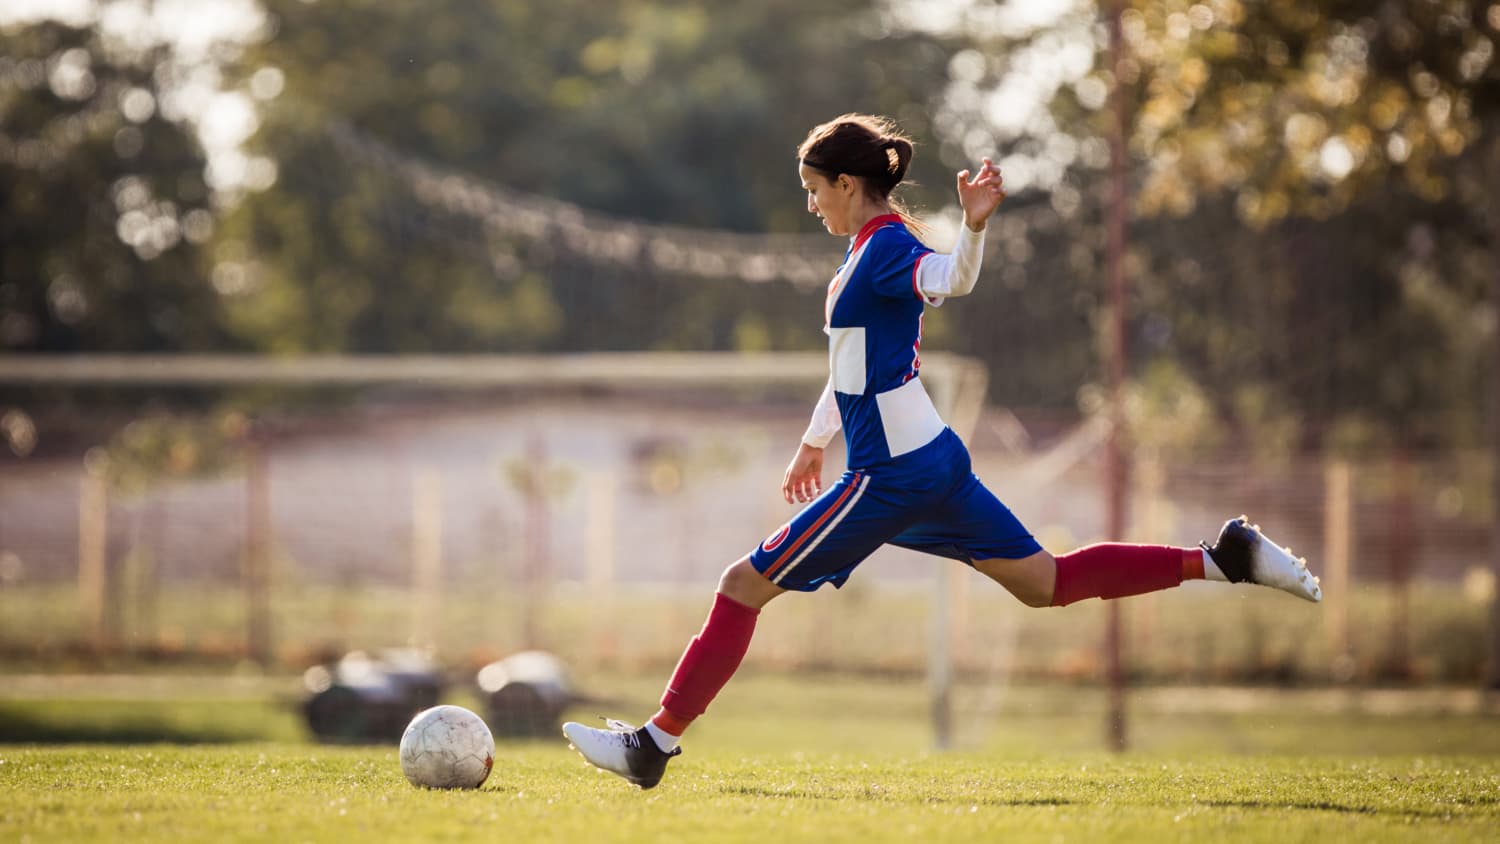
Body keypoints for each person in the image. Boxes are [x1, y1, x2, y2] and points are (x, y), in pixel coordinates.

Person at [562, 113, 1320, 789]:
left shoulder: (889, 248)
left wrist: (977, 227)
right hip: (931, 463)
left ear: (849, 183)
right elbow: (852, 370)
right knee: (1044, 584)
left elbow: (950, 279)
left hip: (891, 476)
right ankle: (1225, 557)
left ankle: (652, 745)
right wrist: (811, 443)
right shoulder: (861, 252)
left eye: (814, 188)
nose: (809, 203)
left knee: (740, 584)